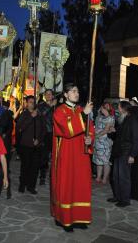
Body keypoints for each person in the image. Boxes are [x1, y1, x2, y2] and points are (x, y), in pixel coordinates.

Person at [50, 83, 94, 232]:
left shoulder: (82, 110)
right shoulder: (59, 111)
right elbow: (66, 129)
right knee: (66, 185)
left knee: (80, 185)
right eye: (73, 91)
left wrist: (90, 139)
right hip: (66, 155)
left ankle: (79, 218)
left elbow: (90, 129)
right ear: (65, 94)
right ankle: (64, 219)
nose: (77, 93)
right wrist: (83, 115)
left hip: (81, 155)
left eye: (77, 91)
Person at [109, 101, 138, 207]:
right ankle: (118, 196)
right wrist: (114, 131)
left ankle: (125, 200)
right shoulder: (123, 119)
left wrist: (133, 155)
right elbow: (121, 134)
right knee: (115, 176)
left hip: (126, 152)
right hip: (118, 151)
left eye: (118, 107)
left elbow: (137, 139)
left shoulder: (133, 120)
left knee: (124, 177)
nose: (117, 109)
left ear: (123, 108)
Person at [16, 95, 46, 194]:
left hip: (36, 145)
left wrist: (39, 139)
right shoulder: (24, 114)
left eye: (33, 102)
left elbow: (43, 129)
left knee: (34, 167)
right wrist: (30, 117)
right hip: (26, 145)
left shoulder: (39, 115)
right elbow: (20, 128)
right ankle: (22, 185)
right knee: (25, 166)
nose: (32, 104)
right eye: (30, 102)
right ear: (27, 103)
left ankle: (31, 186)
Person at [37, 89, 56, 185]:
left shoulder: (56, 106)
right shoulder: (41, 106)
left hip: (55, 133)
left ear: (53, 96)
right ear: (44, 95)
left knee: (55, 156)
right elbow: (41, 114)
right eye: (47, 94)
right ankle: (42, 176)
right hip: (45, 133)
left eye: (50, 94)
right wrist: (50, 106)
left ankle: (54, 175)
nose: (48, 95)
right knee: (44, 156)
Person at [93, 102, 115, 184]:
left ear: (109, 109)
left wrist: (96, 136)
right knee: (98, 160)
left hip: (105, 142)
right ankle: (98, 177)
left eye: (106, 107)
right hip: (97, 141)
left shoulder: (111, 118)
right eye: (103, 106)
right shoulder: (98, 117)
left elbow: (106, 130)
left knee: (105, 161)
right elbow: (95, 127)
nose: (104, 108)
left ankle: (105, 178)